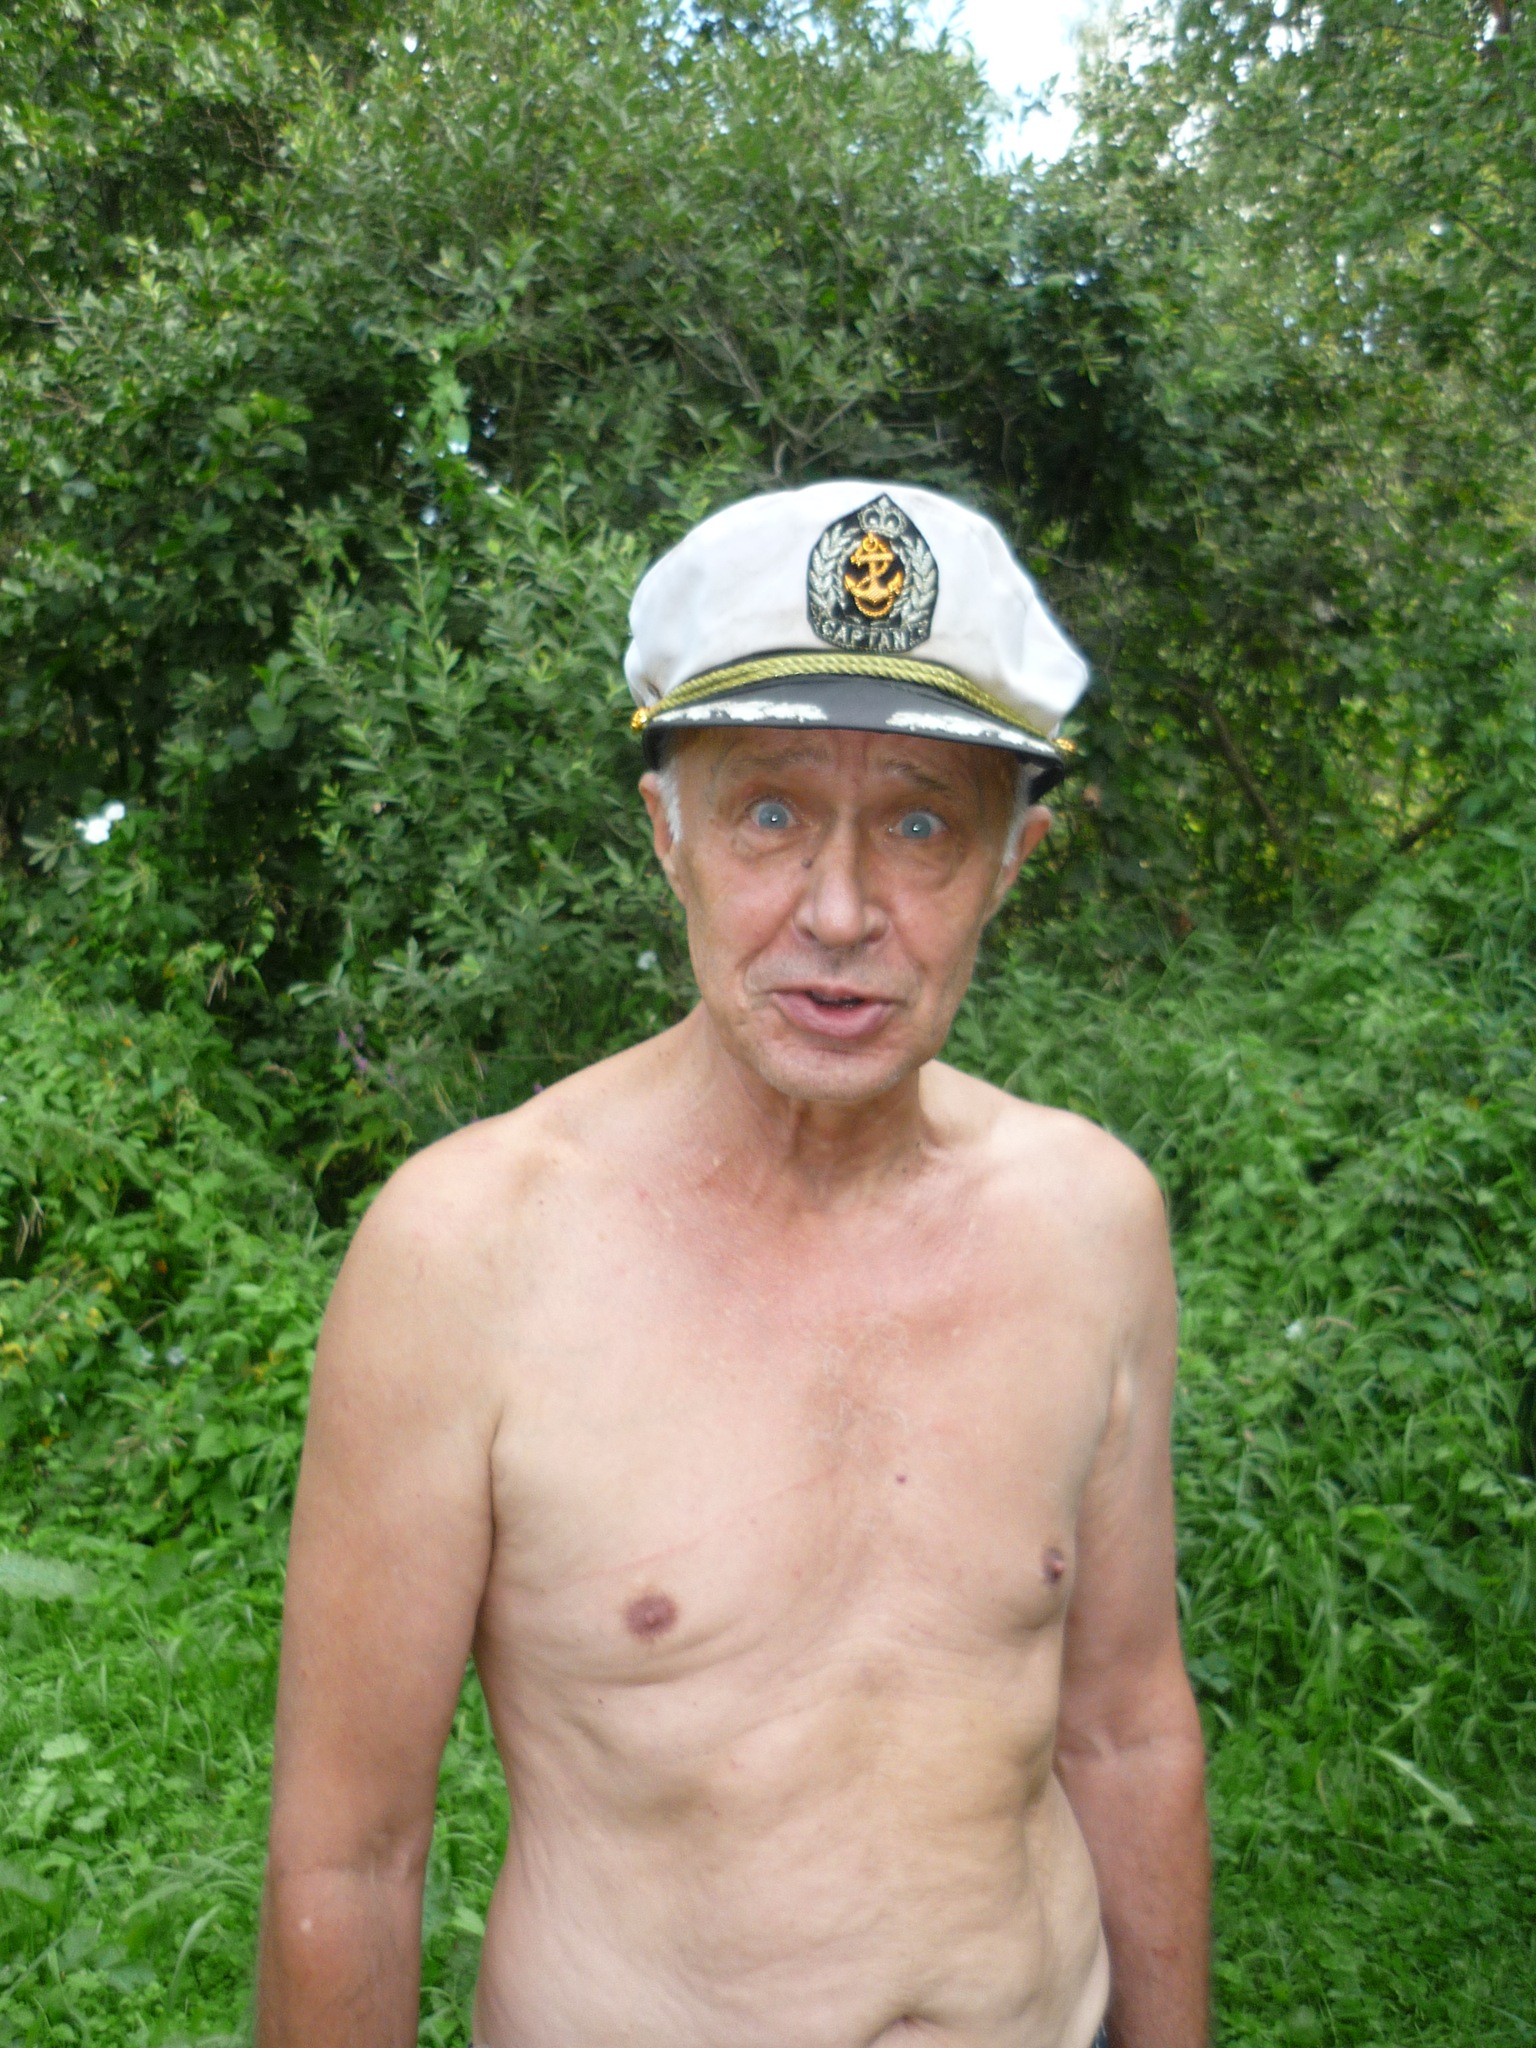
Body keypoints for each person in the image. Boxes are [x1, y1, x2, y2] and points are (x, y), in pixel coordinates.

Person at [255, 481, 1210, 2048]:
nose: (839, 912)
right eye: (768, 812)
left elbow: (1126, 1730)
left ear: (1012, 860)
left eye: (921, 824)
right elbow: (349, 1860)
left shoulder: (1090, 1218)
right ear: (668, 834)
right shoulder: (468, 1255)